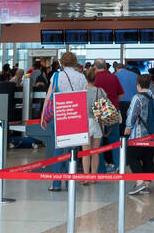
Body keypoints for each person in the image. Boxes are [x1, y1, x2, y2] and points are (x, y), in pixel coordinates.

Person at [39, 52, 87, 192]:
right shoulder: (81, 77)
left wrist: (43, 115)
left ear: (62, 63)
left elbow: (48, 97)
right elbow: (84, 96)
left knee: (58, 149)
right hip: (76, 114)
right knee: (73, 149)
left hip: (60, 114)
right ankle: (70, 181)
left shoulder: (56, 76)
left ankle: (56, 183)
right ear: (75, 62)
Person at [126, 75, 154, 195]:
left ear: (138, 85)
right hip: (152, 134)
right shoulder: (153, 96)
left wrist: (128, 127)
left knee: (132, 157)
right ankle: (147, 185)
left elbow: (133, 114)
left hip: (138, 134)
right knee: (148, 159)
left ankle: (140, 183)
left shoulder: (137, 97)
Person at [81, 67, 105, 182]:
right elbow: (105, 108)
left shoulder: (81, 91)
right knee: (95, 152)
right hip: (97, 123)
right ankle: (93, 177)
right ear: (95, 79)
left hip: (85, 122)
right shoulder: (101, 91)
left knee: (86, 152)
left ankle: (86, 177)